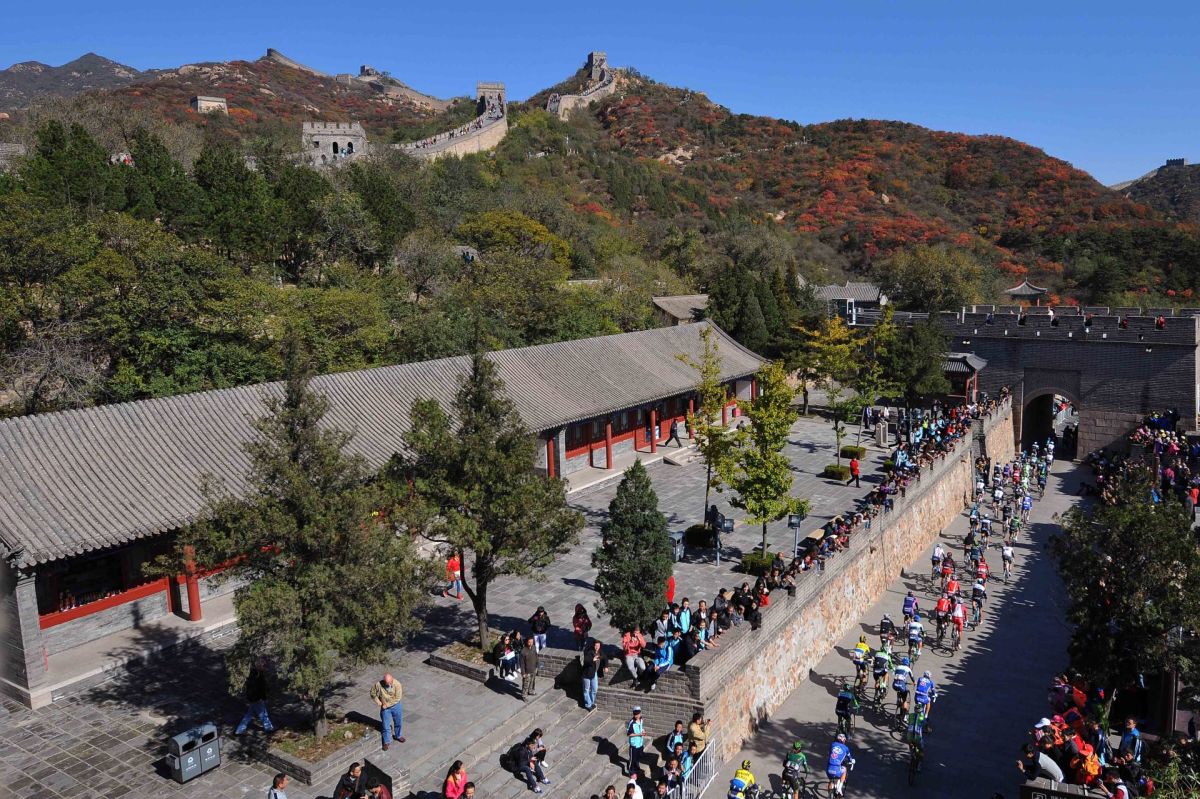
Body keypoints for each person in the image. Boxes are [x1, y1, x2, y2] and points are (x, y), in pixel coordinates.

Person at [235, 658, 275, 736]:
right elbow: (262, 688)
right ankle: (269, 728)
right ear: (260, 666)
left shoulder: (252, 673)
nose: (265, 667)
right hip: (257, 698)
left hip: (252, 697)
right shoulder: (259, 676)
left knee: (249, 714)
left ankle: (239, 730)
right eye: (264, 666)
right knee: (263, 713)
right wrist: (264, 698)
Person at [371, 673, 405, 750]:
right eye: (387, 683)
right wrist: (378, 702)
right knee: (386, 725)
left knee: (398, 722)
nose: (389, 684)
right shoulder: (378, 685)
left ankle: (398, 736)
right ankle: (386, 742)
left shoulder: (397, 684)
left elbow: (397, 698)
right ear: (384, 681)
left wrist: (387, 705)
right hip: (385, 708)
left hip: (395, 706)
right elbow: (372, 693)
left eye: (390, 682)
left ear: (392, 679)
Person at [826, 733, 855, 797]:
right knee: (844, 769)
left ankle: (829, 794)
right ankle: (839, 788)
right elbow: (850, 758)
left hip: (828, 770)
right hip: (837, 770)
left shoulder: (832, 744)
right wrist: (852, 761)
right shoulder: (846, 748)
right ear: (844, 740)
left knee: (831, 781)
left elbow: (830, 753)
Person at [581, 638, 607, 710]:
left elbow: (605, 658)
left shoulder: (600, 652)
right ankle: (588, 705)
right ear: (593, 646)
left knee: (595, 689)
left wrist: (606, 666)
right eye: (596, 645)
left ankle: (592, 702)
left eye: (598, 645)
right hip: (586, 674)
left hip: (594, 673)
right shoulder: (589, 652)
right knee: (586, 690)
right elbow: (585, 661)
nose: (597, 647)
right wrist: (592, 660)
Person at [626, 707, 646, 778]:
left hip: (640, 743)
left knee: (638, 757)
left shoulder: (641, 720)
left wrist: (643, 730)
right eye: (635, 714)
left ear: (640, 713)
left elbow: (641, 728)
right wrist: (639, 734)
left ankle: (637, 768)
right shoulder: (631, 723)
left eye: (637, 714)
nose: (636, 715)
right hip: (634, 744)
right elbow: (629, 734)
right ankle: (631, 772)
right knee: (632, 759)